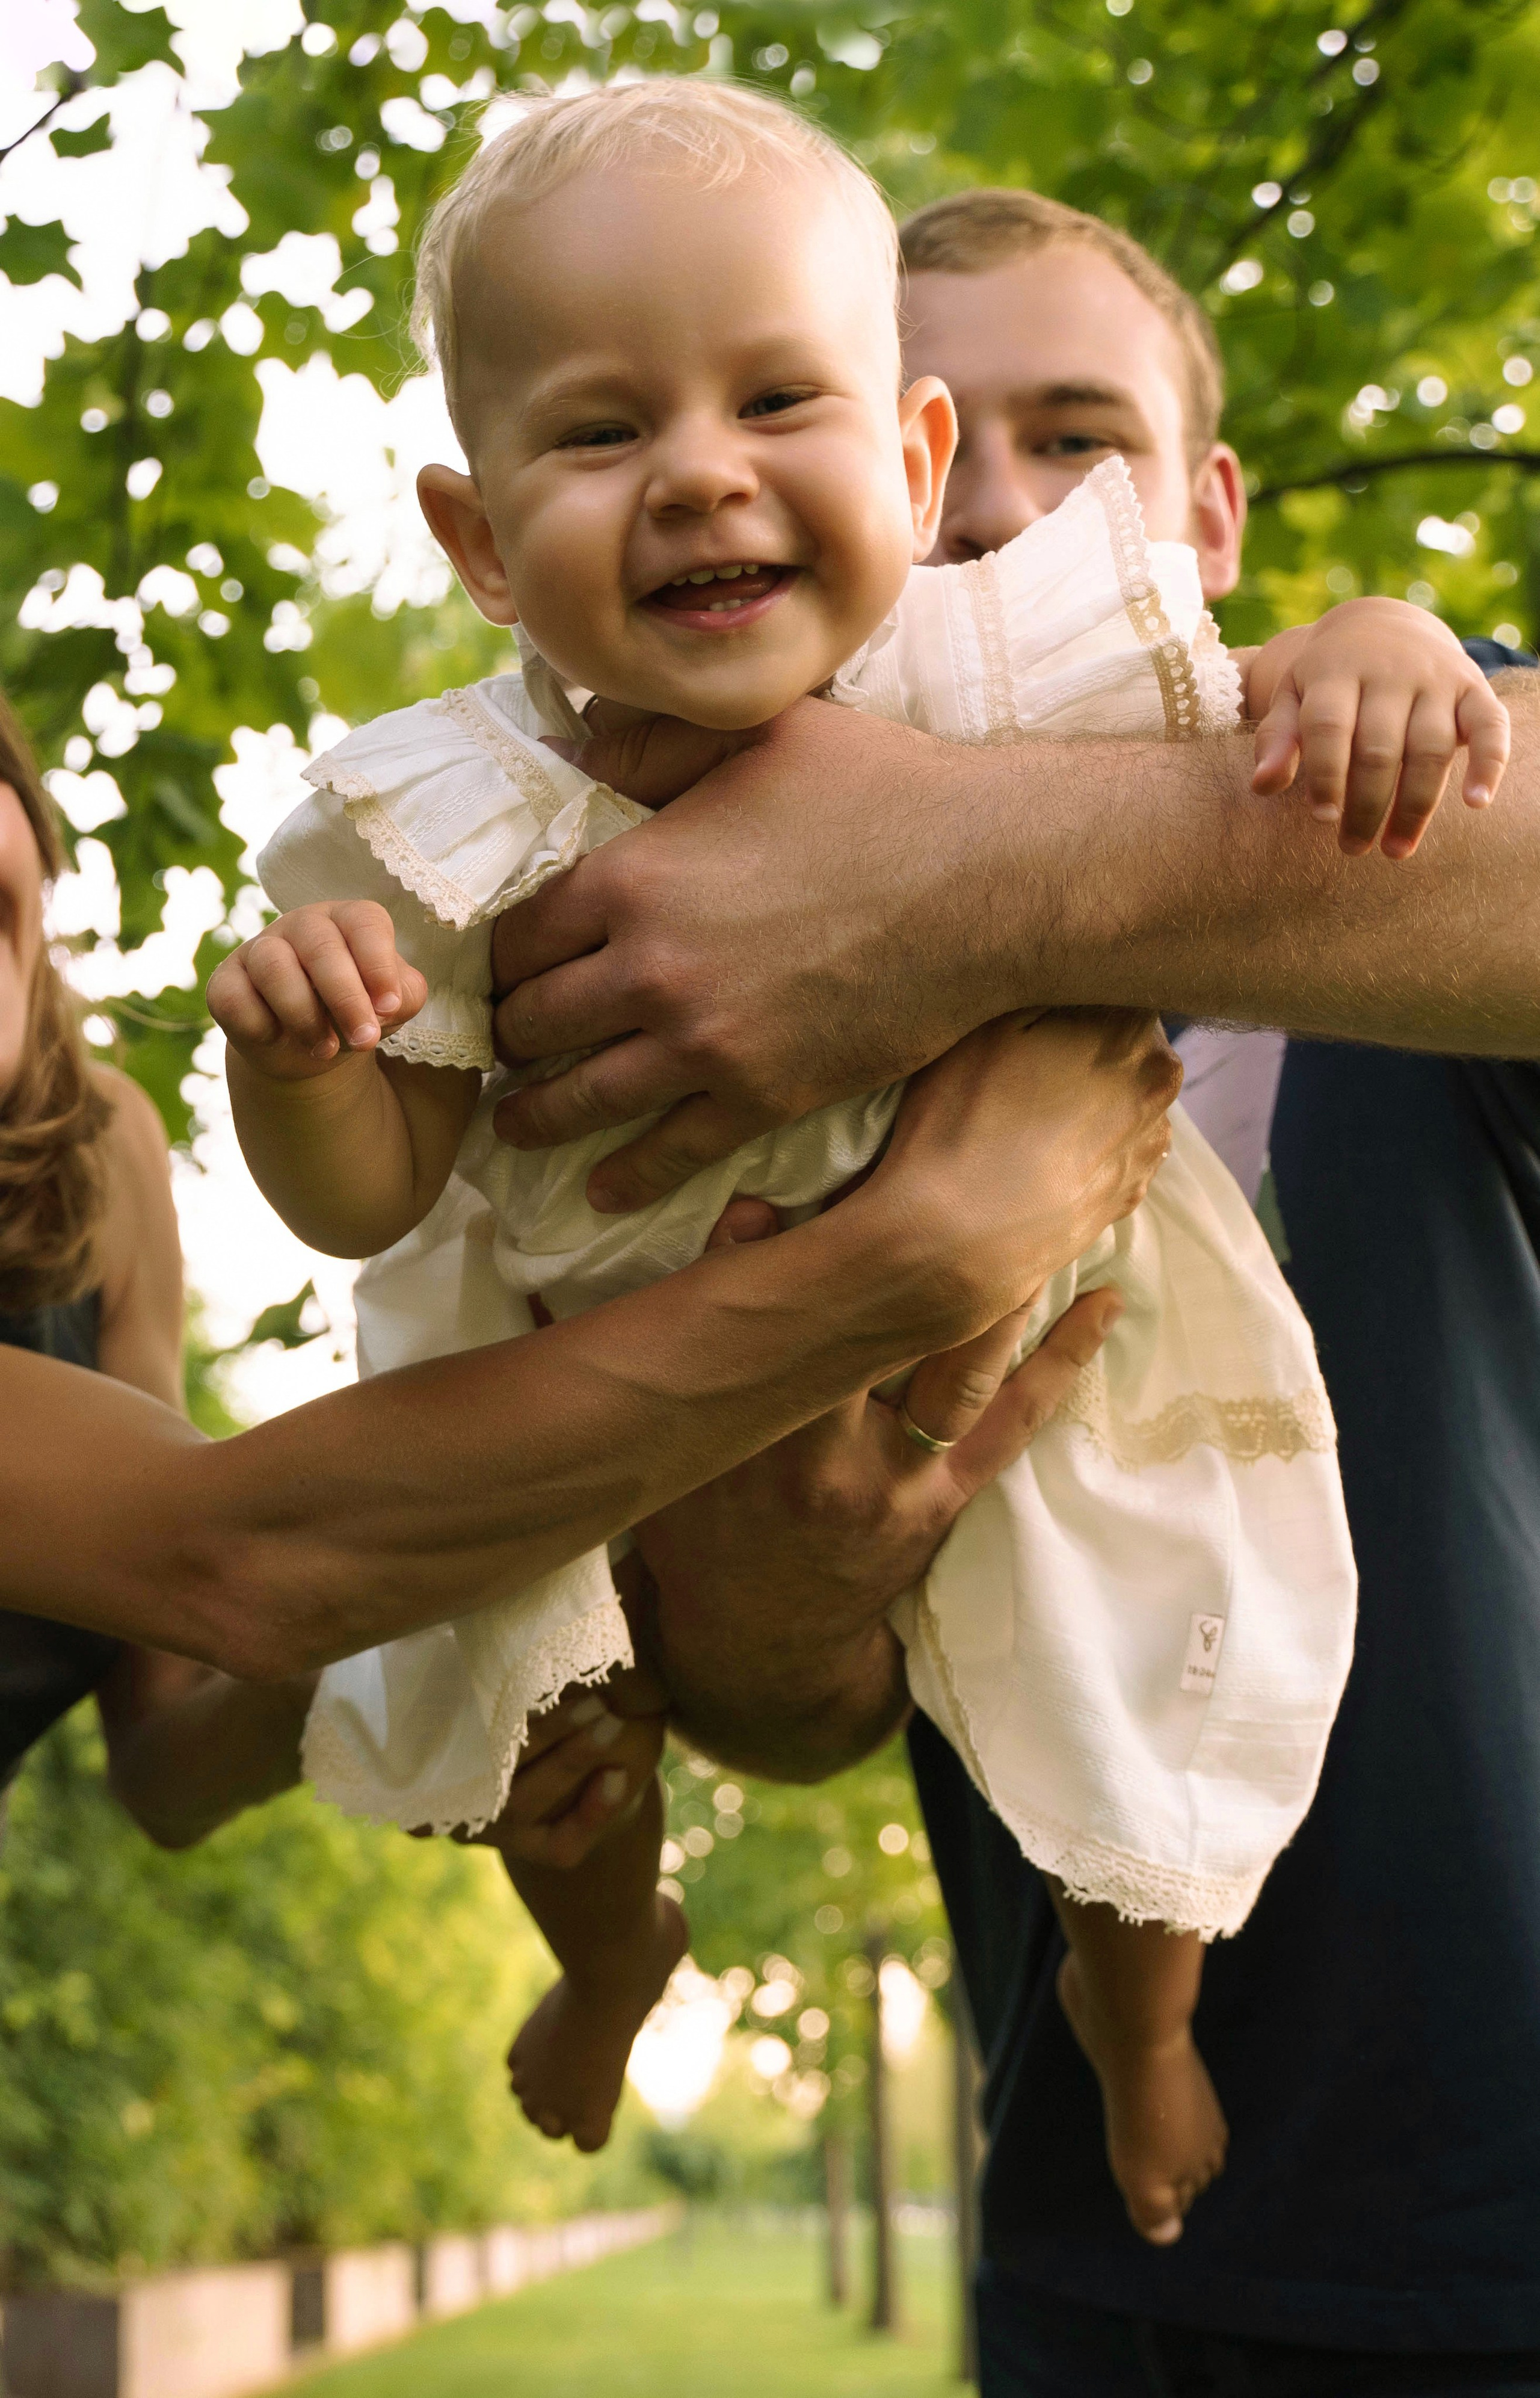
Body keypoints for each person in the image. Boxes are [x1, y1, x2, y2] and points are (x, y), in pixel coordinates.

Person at [209, 78, 1498, 2217]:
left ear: (882, 461)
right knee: (547, 1724)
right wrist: (303, 1055)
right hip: (603, 1380)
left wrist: (1394, 647)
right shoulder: (442, 811)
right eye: (602, 433)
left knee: (1145, 1602)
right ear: (474, 538)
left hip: (1048, 1355)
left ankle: (1135, 2017)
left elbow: (1246, 697)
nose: (701, 470)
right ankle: (615, 1961)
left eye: (775, 400)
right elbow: (371, 1184)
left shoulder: (986, 693)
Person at [525, 186, 1540, 2391]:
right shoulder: (751, 967)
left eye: (1081, 437)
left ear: (1216, 505)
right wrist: (787, 1586)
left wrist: (1404, 645)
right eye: (931, 440)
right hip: (1078, 2210)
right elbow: (786, 1714)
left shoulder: (1396, 800)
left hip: (1492, 2196)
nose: (999, 506)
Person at [0, 669, 1175, 1889]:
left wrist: (444, 1650)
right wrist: (917, 1254)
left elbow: (165, 1751)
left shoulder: (98, 1159)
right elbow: (229, 1566)